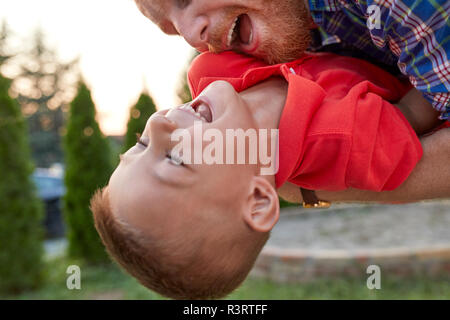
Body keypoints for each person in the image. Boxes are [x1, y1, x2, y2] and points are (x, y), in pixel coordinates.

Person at [90, 51, 442, 300]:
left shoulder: (211, 70)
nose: (157, 122)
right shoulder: (342, 143)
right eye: (175, 157)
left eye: (142, 142)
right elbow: (422, 104)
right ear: (257, 200)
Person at [133, 0, 450, 201]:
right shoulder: (331, 137)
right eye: (172, 30)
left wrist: (309, 192)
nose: (190, 35)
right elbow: (400, 125)